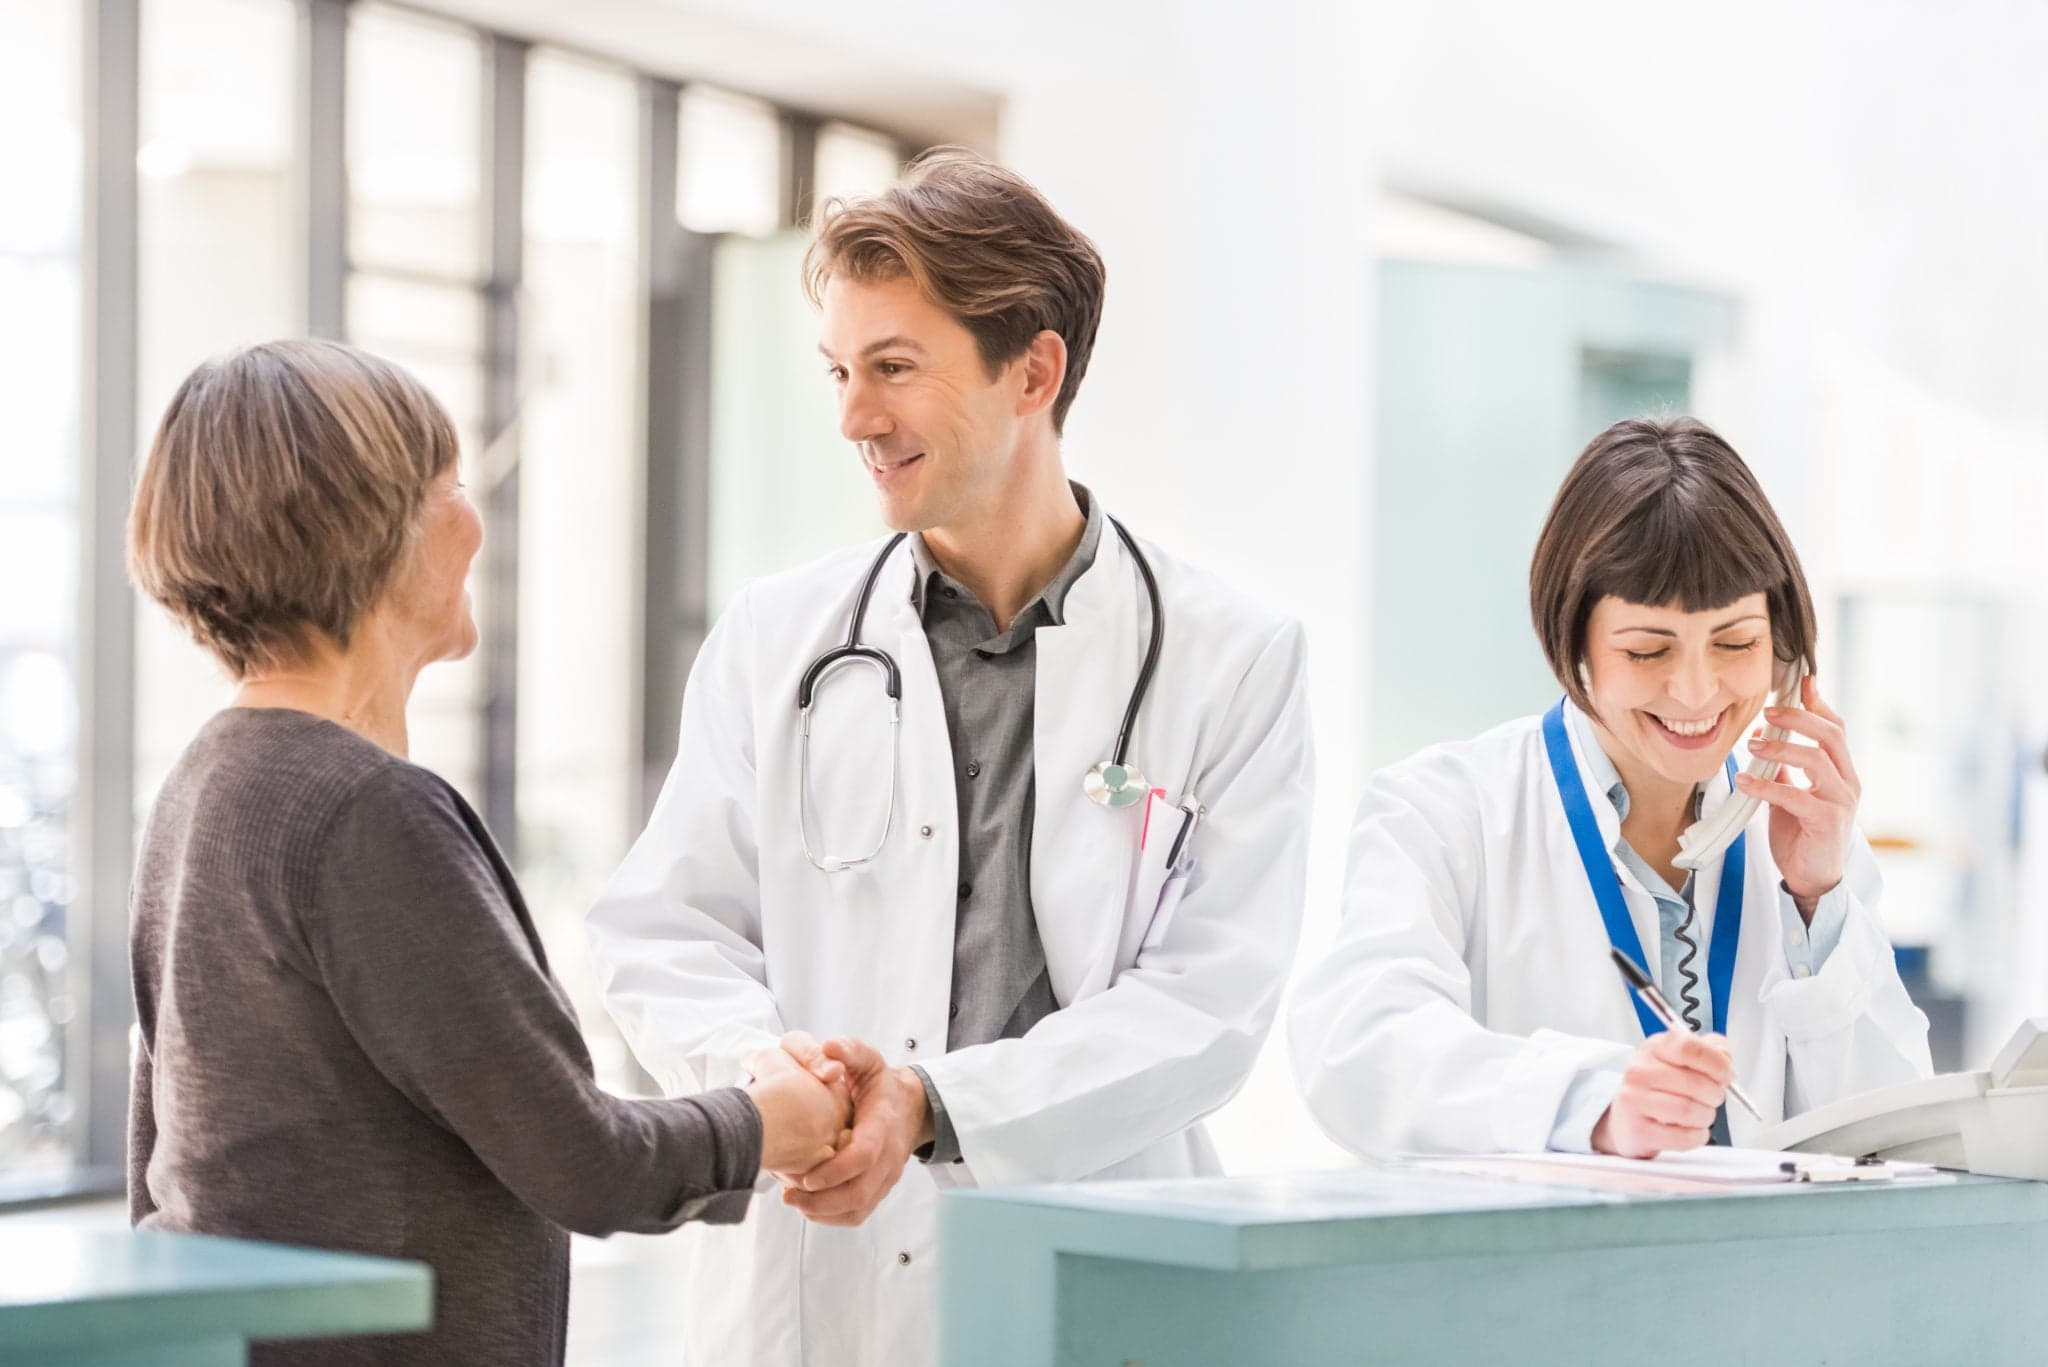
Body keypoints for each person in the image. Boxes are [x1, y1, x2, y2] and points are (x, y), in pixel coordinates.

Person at [585, 149, 1314, 1367]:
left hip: (1091, 1257)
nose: (852, 416)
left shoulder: (1226, 656)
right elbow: (662, 929)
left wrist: (936, 1106)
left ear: (1033, 368)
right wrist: (772, 1074)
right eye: (838, 370)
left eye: (893, 368)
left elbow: (1211, 999)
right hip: (823, 1273)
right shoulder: (780, 637)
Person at [125, 339, 851, 1367]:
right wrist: (766, 1118)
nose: (473, 518)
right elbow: (584, 1159)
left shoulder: (206, 780)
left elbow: (158, 1166)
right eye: (450, 485)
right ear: (374, 532)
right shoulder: (367, 813)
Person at [1290, 416, 1932, 1160]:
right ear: (1574, 642)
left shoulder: (1801, 842)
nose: (1695, 690)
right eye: (1647, 648)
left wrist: (1819, 900)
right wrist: (1587, 1104)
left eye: (1737, 642)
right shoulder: (1443, 811)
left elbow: (1896, 1129)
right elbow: (1362, 1046)